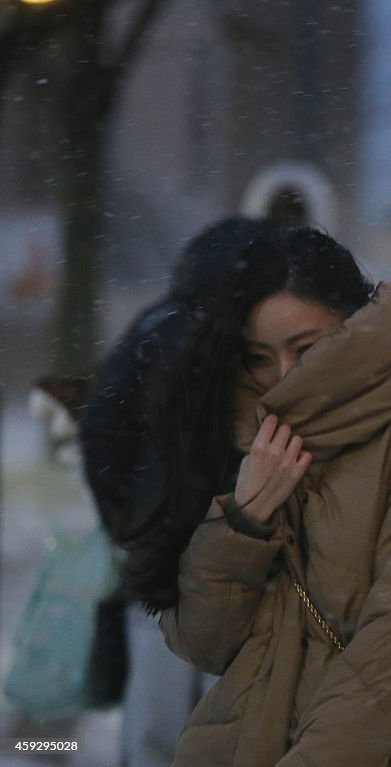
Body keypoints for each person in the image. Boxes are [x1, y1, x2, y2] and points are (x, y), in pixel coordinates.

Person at [121, 227, 391, 766]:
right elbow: (203, 644)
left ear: (354, 329)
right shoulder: (243, 433)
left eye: (306, 348)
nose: (284, 378)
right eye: (260, 358)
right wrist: (244, 521)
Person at [79, 215, 277, 766]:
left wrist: (127, 514)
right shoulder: (258, 340)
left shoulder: (154, 325)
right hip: (238, 546)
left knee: (155, 716)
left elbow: (100, 429)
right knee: (223, 708)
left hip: (157, 547)